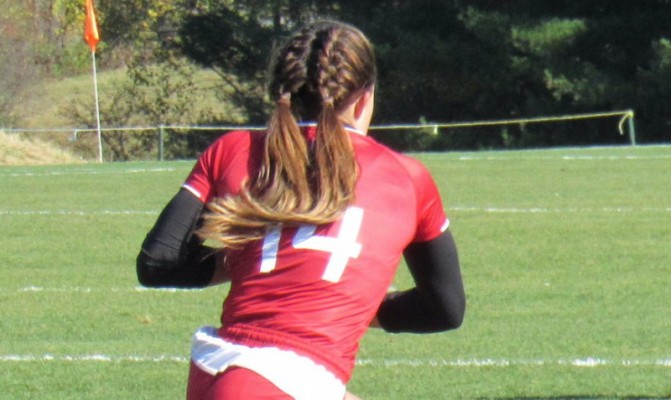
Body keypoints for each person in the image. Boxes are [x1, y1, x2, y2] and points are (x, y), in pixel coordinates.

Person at [136, 19, 465, 400]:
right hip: (281, 381)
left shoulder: (234, 149)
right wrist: (360, 305)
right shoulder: (407, 177)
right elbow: (445, 308)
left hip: (223, 374)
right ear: (365, 96)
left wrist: (243, 260)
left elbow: (159, 262)